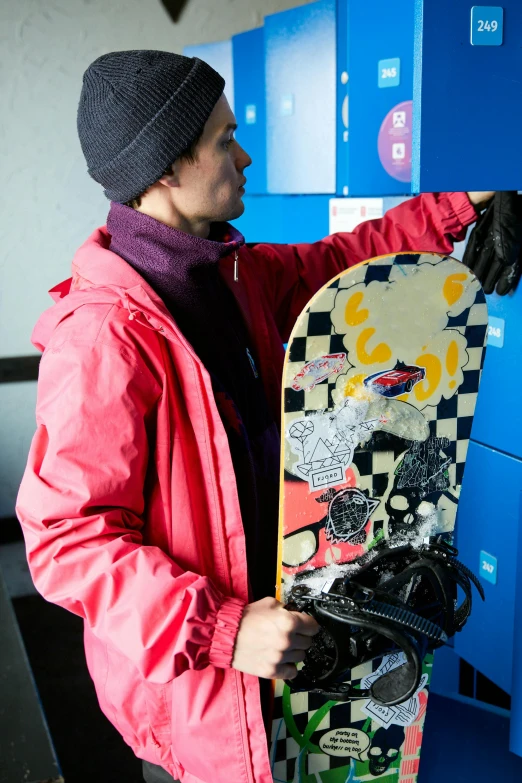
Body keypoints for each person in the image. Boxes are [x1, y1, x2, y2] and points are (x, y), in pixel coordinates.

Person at [16, 50, 494, 783]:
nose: (244, 153)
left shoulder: (233, 273)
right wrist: (220, 630)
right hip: (205, 686)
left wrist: (464, 201)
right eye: (223, 138)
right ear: (165, 170)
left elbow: (343, 260)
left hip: (290, 642)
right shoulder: (104, 337)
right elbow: (68, 542)